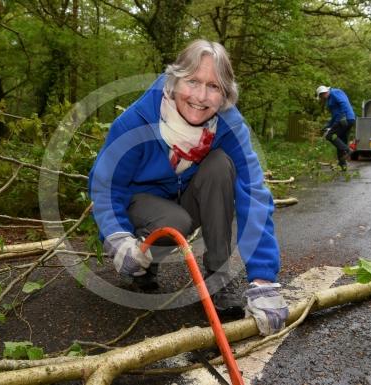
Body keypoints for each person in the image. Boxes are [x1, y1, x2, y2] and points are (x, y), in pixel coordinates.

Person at [88, 39, 288, 336]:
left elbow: (254, 193)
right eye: (192, 82)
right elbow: (105, 185)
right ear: (174, 80)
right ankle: (142, 258)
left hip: (187, 197)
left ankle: (217, 277)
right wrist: (116, 236)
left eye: (214, 87)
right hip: (142, 204)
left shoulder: (230, 127)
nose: (200, 96)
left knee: (220, 165)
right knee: (175, 223)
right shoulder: (136, 120)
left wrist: (263, 280)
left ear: (226, 95)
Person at [316, 85, 355, 169]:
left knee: (329, 135)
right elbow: (335, 115)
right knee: (340, 140)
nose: (322, 98)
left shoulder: (334, 92)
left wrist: (343, 116)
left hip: (345, 119)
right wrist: (328, 125)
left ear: (323, 92)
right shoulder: (329, 98)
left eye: (321, 96)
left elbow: (343, 103)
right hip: (345, 119)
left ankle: (347, 150)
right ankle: (342, 165)